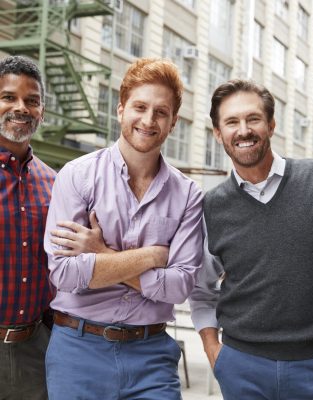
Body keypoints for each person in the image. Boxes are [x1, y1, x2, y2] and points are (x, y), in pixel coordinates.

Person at [43, 57, 203, 400]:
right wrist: (152, 256)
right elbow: (65, 273)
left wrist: (101, 256)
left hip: (152, 356)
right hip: (77, 352)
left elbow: (179, 287)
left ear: (174, 122)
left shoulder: (188, 194)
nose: (148, 120)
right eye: (140, 107)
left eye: (161, 112)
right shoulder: (77, 175)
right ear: (120, 110)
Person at [189, 79, 313, 399]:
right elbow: (200, 289)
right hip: (242, 368)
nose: (243, 130)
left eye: (253, 119)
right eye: (231, 122)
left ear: (272, 125)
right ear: (218, 133)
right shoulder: (212, 205)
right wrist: (213, 351)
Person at [0, 55, 56, 399]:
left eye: (31, 100)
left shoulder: (56, 184)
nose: (21, 107)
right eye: (9, 97)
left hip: (35, 350)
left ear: (42, 112)